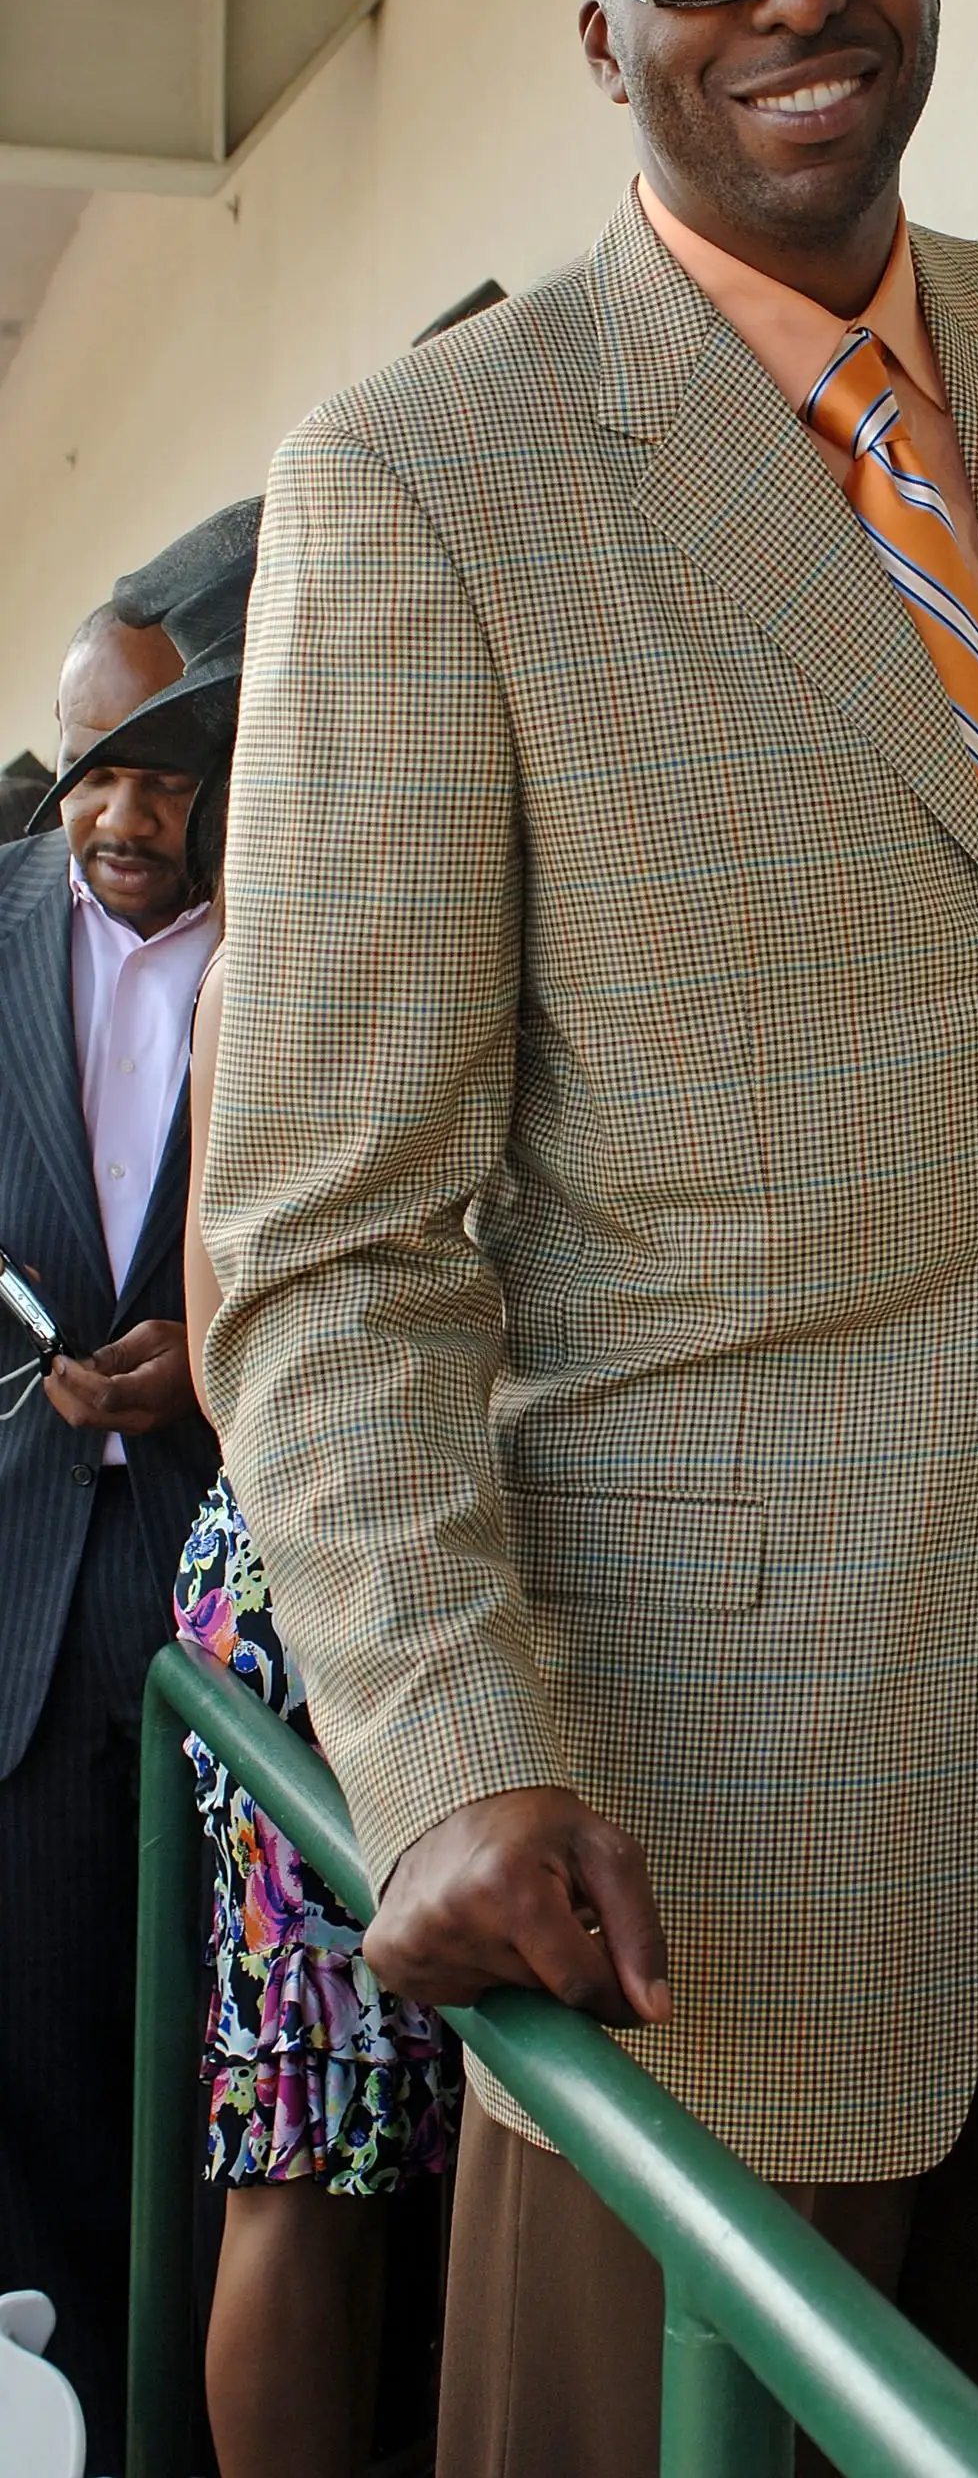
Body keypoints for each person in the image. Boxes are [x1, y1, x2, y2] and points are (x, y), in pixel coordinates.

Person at [201, 0, 978, 2477]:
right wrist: (441, 1753)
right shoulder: (431, 478)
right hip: (695, 1821)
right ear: (599, 18)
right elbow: (321, 1236)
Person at [76, 501, 458, 2478]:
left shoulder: (284, 925)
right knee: (303, 2156)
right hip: (328, 1577)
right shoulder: (307, 934)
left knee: (328, 2157)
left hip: (314, 1554)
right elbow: (247, 1338)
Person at [0, 598, 221, 2465]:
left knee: (230, 2093)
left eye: (159, 770)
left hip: (237, 1615)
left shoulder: (311, 933)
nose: (121, 814)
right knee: (44, 2066)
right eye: (91, 775)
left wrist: (215, 1360)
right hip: (18, 1597)